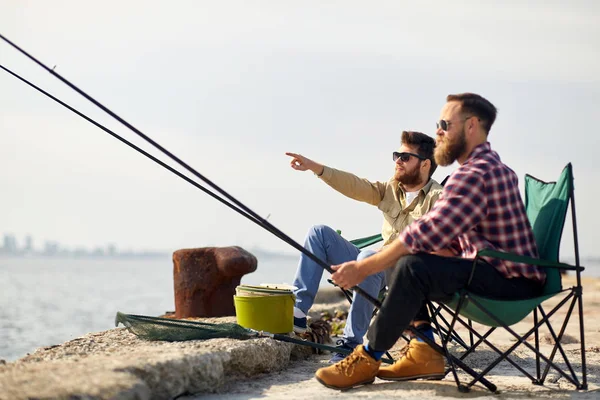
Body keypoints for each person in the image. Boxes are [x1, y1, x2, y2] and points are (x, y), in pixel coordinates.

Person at [315, 93, 545, 390]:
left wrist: (363, 268)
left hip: (508, 284)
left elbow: (426, 231)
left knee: (411, 265)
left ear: (471, 126)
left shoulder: (477, 174)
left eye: (444, 124)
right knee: (408, 262)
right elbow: (451, 235)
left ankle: (368, 355)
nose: (438, 132)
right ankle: (424, 349)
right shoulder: (487, 167)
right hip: (498, 273)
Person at [286, 131, 442, 362]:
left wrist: (384, 256)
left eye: (405, 157)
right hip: (372, 265)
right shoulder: (391, 189)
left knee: (369, 256)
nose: (397, 160)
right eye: (396, 155)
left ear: (425, 164)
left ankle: (351, 344)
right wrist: (315, 168)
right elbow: (355, 185)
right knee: (319, 233)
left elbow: (435, 246)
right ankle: (299, 312)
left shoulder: (439, 198)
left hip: (403, 276)